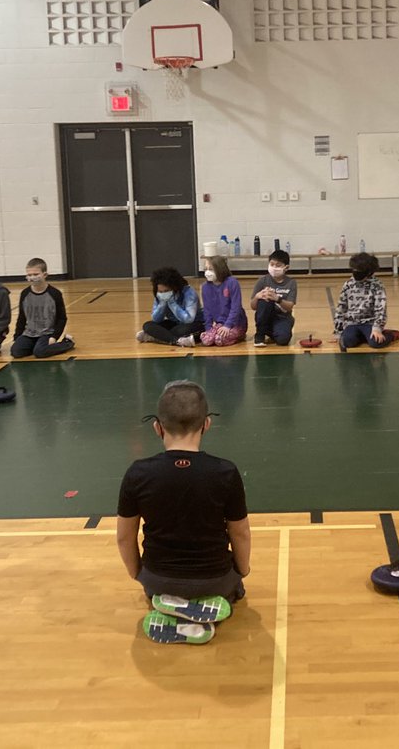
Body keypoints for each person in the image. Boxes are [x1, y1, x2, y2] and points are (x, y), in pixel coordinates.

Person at [116, 380, 250, 645]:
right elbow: (240, 532)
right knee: (237, 589)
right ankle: (214, 602)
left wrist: (139, 574)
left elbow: (124, 536)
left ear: (157, 427)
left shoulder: (137, 473)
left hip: (157, 577)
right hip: (216, 579)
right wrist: (241, 571)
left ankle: (167, 601)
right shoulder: (225, 472)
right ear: (206, 424)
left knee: (159, 585)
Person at [332, 252, 399, 350]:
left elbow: (381, 309)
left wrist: (377, 329)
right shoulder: (348, 285)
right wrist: (338, 332)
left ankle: (390, 335)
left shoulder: (377, 285)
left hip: (370, 323)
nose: (356, 273)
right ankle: (363, 336)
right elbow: (341, 308)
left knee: (376, 343)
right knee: (347, 341)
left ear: (369, 272)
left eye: (359, 271)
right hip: (352, 323)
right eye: (354, 270)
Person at [10, 257, 75, 359]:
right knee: (16, 352)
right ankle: (36, 345)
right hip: (30, 333)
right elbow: (22, 317)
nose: (32, 277)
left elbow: (62, 318)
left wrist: (54, 336)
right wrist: (17, 337)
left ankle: (67, 342)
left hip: (47, 333)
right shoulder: (25, 294)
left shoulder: (54, 294)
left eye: (36, 274)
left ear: (45, 275)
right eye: (29, 275)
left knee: (40, 352)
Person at [137, 268, 203, 345]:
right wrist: (162, 304)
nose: (163, 293)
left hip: (194, 323)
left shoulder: (189, 292)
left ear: (174, 288)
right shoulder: (159, 296)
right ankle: (177, 341)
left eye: (166, 291)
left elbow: (188, 319)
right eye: (160, 291)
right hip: (174, 322)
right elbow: (156, 319)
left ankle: (158, 337)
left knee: (178, 331)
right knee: (147, 325)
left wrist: (172, 303)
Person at [192, 255, 246, 348]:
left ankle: (239, 334)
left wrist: (228, 325)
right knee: (206, 340)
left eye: (211, 269)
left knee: (219, 339)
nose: (207, 272)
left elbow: (235, 307)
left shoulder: (232, 282)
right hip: (219, 324)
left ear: (220, 269)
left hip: (236, 323)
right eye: (206, 269)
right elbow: (207, 310)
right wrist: (208, 328)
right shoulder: (205, 287)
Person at [249, 248, 298, 347]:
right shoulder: (262, 281)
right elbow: (253, 306)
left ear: (286, 267)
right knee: (265, 300)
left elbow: (290, 306)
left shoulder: (291, 283)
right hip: (265, 316)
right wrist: (257, 297)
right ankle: (260, 335)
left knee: (283, 340)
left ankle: (279, 330)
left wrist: (277, 299)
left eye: (278, 265)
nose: (274, 267)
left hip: (282, 317)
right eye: (272, 264)